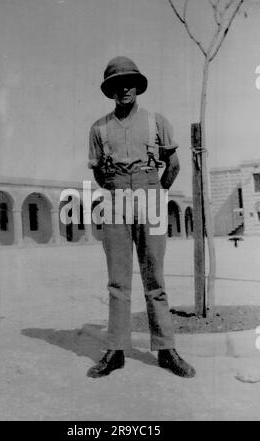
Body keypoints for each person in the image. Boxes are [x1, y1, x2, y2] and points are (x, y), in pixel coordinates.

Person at [87, 56, 195, 379]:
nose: (124, 89)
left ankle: (166, 349)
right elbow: (99, 175)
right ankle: (116, 350)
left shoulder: (156, 122)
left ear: (138, 85)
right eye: (117, 84)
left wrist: (157, 194)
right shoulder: (99, 128)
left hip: (151, 198)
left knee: (155, 280)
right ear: (110, 90)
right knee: (118, 281)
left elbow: (173, 165)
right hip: (116, 201)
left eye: (129, 82)